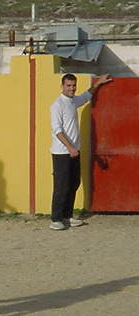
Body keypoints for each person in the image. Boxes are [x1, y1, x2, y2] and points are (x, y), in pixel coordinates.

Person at [49, 73, 112, 231]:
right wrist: (70, 148)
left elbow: (85, 96)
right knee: (61, 186)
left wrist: (98, 83)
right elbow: (57, 130)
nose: (72, 88)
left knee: (74, 184)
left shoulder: (72, 101)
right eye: (68, 85)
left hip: (74, 152)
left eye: (73, 85)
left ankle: (67, 216)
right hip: (62, 153)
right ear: (62, 86)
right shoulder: (57, 105)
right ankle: (55, 219)